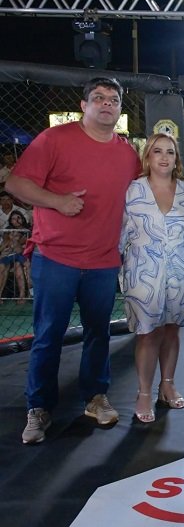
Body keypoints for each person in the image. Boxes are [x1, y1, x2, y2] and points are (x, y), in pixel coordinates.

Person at [6, 77, 141, 444]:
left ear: (119, 108)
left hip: (103, 259)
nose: (107, 103)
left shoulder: (127, 153)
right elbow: (16, 184)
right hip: (56, 256)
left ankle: (95, 397)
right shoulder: (54, 139)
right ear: (84, 105)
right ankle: (39, 407)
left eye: (113, 99)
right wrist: (57, 201)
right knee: (48, 335)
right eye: (98, 97)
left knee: (99, 332)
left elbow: (144, 193)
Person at [120, 133, 184, 423]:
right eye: (157, 151)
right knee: (148, 333)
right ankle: (144, 393)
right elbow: (119, 233)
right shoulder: (132, 190)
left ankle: (167, 385)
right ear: (147, 157)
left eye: (170, 152)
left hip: (182, 271)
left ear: (176, 159)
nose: (164, 157)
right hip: (143, 273)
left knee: (172, 330)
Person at [0, 210, 31, 303]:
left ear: (23, 219)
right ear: (10, 221)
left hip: (21, 255)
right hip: (8, 254)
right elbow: (4, 245)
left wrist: (14, 240)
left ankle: (22, 296)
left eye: (18, 218)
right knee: (2, 267)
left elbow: (20, 250)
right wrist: (10, 239)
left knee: (18, 266)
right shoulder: (8, 229)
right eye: (13, 219)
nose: (16, 220)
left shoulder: (27, 230)